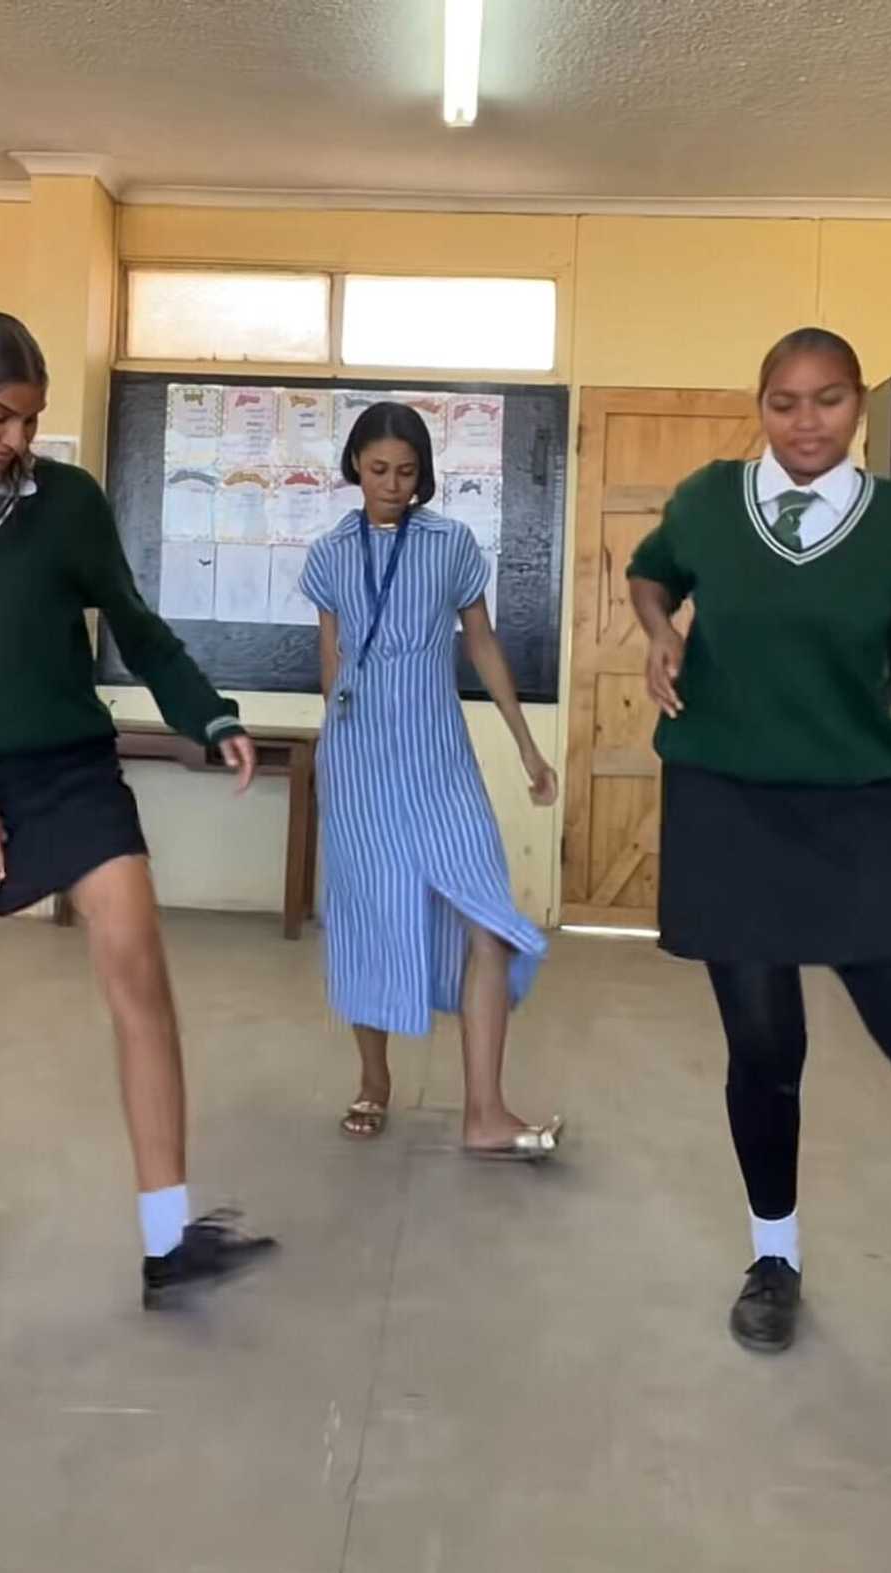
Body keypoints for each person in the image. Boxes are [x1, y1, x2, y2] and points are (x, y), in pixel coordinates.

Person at [0, 311, 275, 1308]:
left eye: (29, 421)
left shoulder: (66, 504)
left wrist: (209, 715)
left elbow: (137, 626)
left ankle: (169, 1241)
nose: (15, 442)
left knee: (139, 971)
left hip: (70, 772)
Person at [627, 326, 891, 1353]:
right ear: (759, 404)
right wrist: (659, 628)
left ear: (856, 405)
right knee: (766, 1048)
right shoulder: (708, 501)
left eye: (825, 400)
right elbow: (649, 570)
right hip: (728, 803)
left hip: (857, 807)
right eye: (783, 401)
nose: (804, 421)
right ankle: (774, 1258)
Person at [299, 401, 562, 1157]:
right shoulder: (328, 554)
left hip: (439, 757)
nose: (392, 484)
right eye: (379, 470)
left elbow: (480, 645)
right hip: (358, 760)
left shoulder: (451, 543)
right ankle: (373, 1078)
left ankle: (486, 1109)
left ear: (425, 476)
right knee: (370, 913)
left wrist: (525, 745)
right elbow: (331, 658)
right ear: (355, 467)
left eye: (408, 472)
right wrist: (338, 744)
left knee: (487, 917)